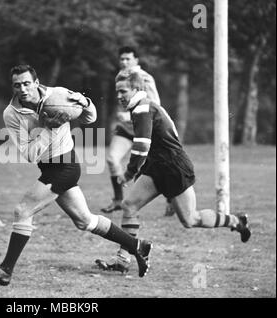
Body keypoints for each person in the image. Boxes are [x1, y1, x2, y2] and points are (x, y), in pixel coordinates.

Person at [0, 65, 153, 286]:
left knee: (23, 210)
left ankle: (4, 271)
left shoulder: (58, 95)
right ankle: (138, 246)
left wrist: (86, 103)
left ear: (36, 83)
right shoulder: (11, 114)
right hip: (48, 168)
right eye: (17, 85)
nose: (22, 89)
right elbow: (30, 154)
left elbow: (90, 118)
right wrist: (50, 128)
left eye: (26, 83)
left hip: (65, 166)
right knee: (85, 220)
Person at [96, 72, 251, 274]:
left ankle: (236, 221)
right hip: (158, 167)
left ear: (137, 89)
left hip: (173, 168)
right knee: (129, 205)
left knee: (190, 220)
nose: (119, 96)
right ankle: (123, 260)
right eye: (117, 91)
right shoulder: (140, 107)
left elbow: (142, 146)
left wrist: (129, 173)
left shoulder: (143, 108)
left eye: (123, 91)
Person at [99, 46, 174, 273]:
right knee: (112, 159)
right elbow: (122, 101)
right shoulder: (120, 78)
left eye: (127, 58)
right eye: (120, 58)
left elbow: (155, 104)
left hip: (145, 130)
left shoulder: (144, 78)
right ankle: (117, 199)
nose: (123, 61)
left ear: (136, 60)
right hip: (126, 127)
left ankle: (172, 198)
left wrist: (131, 172)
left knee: (190, 217)